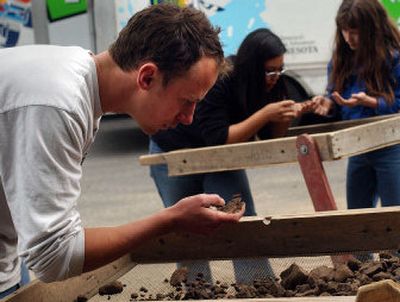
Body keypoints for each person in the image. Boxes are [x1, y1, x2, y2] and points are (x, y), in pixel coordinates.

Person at [0, 4, 245, 298]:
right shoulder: (58, 103)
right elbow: (54, 256)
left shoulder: (77, 79)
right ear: (147, 77)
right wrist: (169, 220)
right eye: (186, 101)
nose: (189, 118)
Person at [149, 28, 313, 282]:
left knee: (239, 219)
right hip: (175, 149)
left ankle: (257, 287)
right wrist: (265, 114)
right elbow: (218, 137)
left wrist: (285, 117)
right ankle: (196, 291)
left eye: (280, 70)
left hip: (220, 157)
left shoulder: (273, 81)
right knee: (186, 229)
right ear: (252, 66)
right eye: (270, 71)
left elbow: (270, 138)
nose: (275, 77)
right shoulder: (223, 78)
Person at [311, 0, 400, 210]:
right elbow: (335, 96)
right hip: (357, 145)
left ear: (373, 29)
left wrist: (371, 102)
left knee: (394, 215)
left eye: (355, 31)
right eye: (344, 30)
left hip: (391, 144)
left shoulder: (394, 57)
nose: (349, 38)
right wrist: (328, 102)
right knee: (357, 213)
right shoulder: (340, 59)